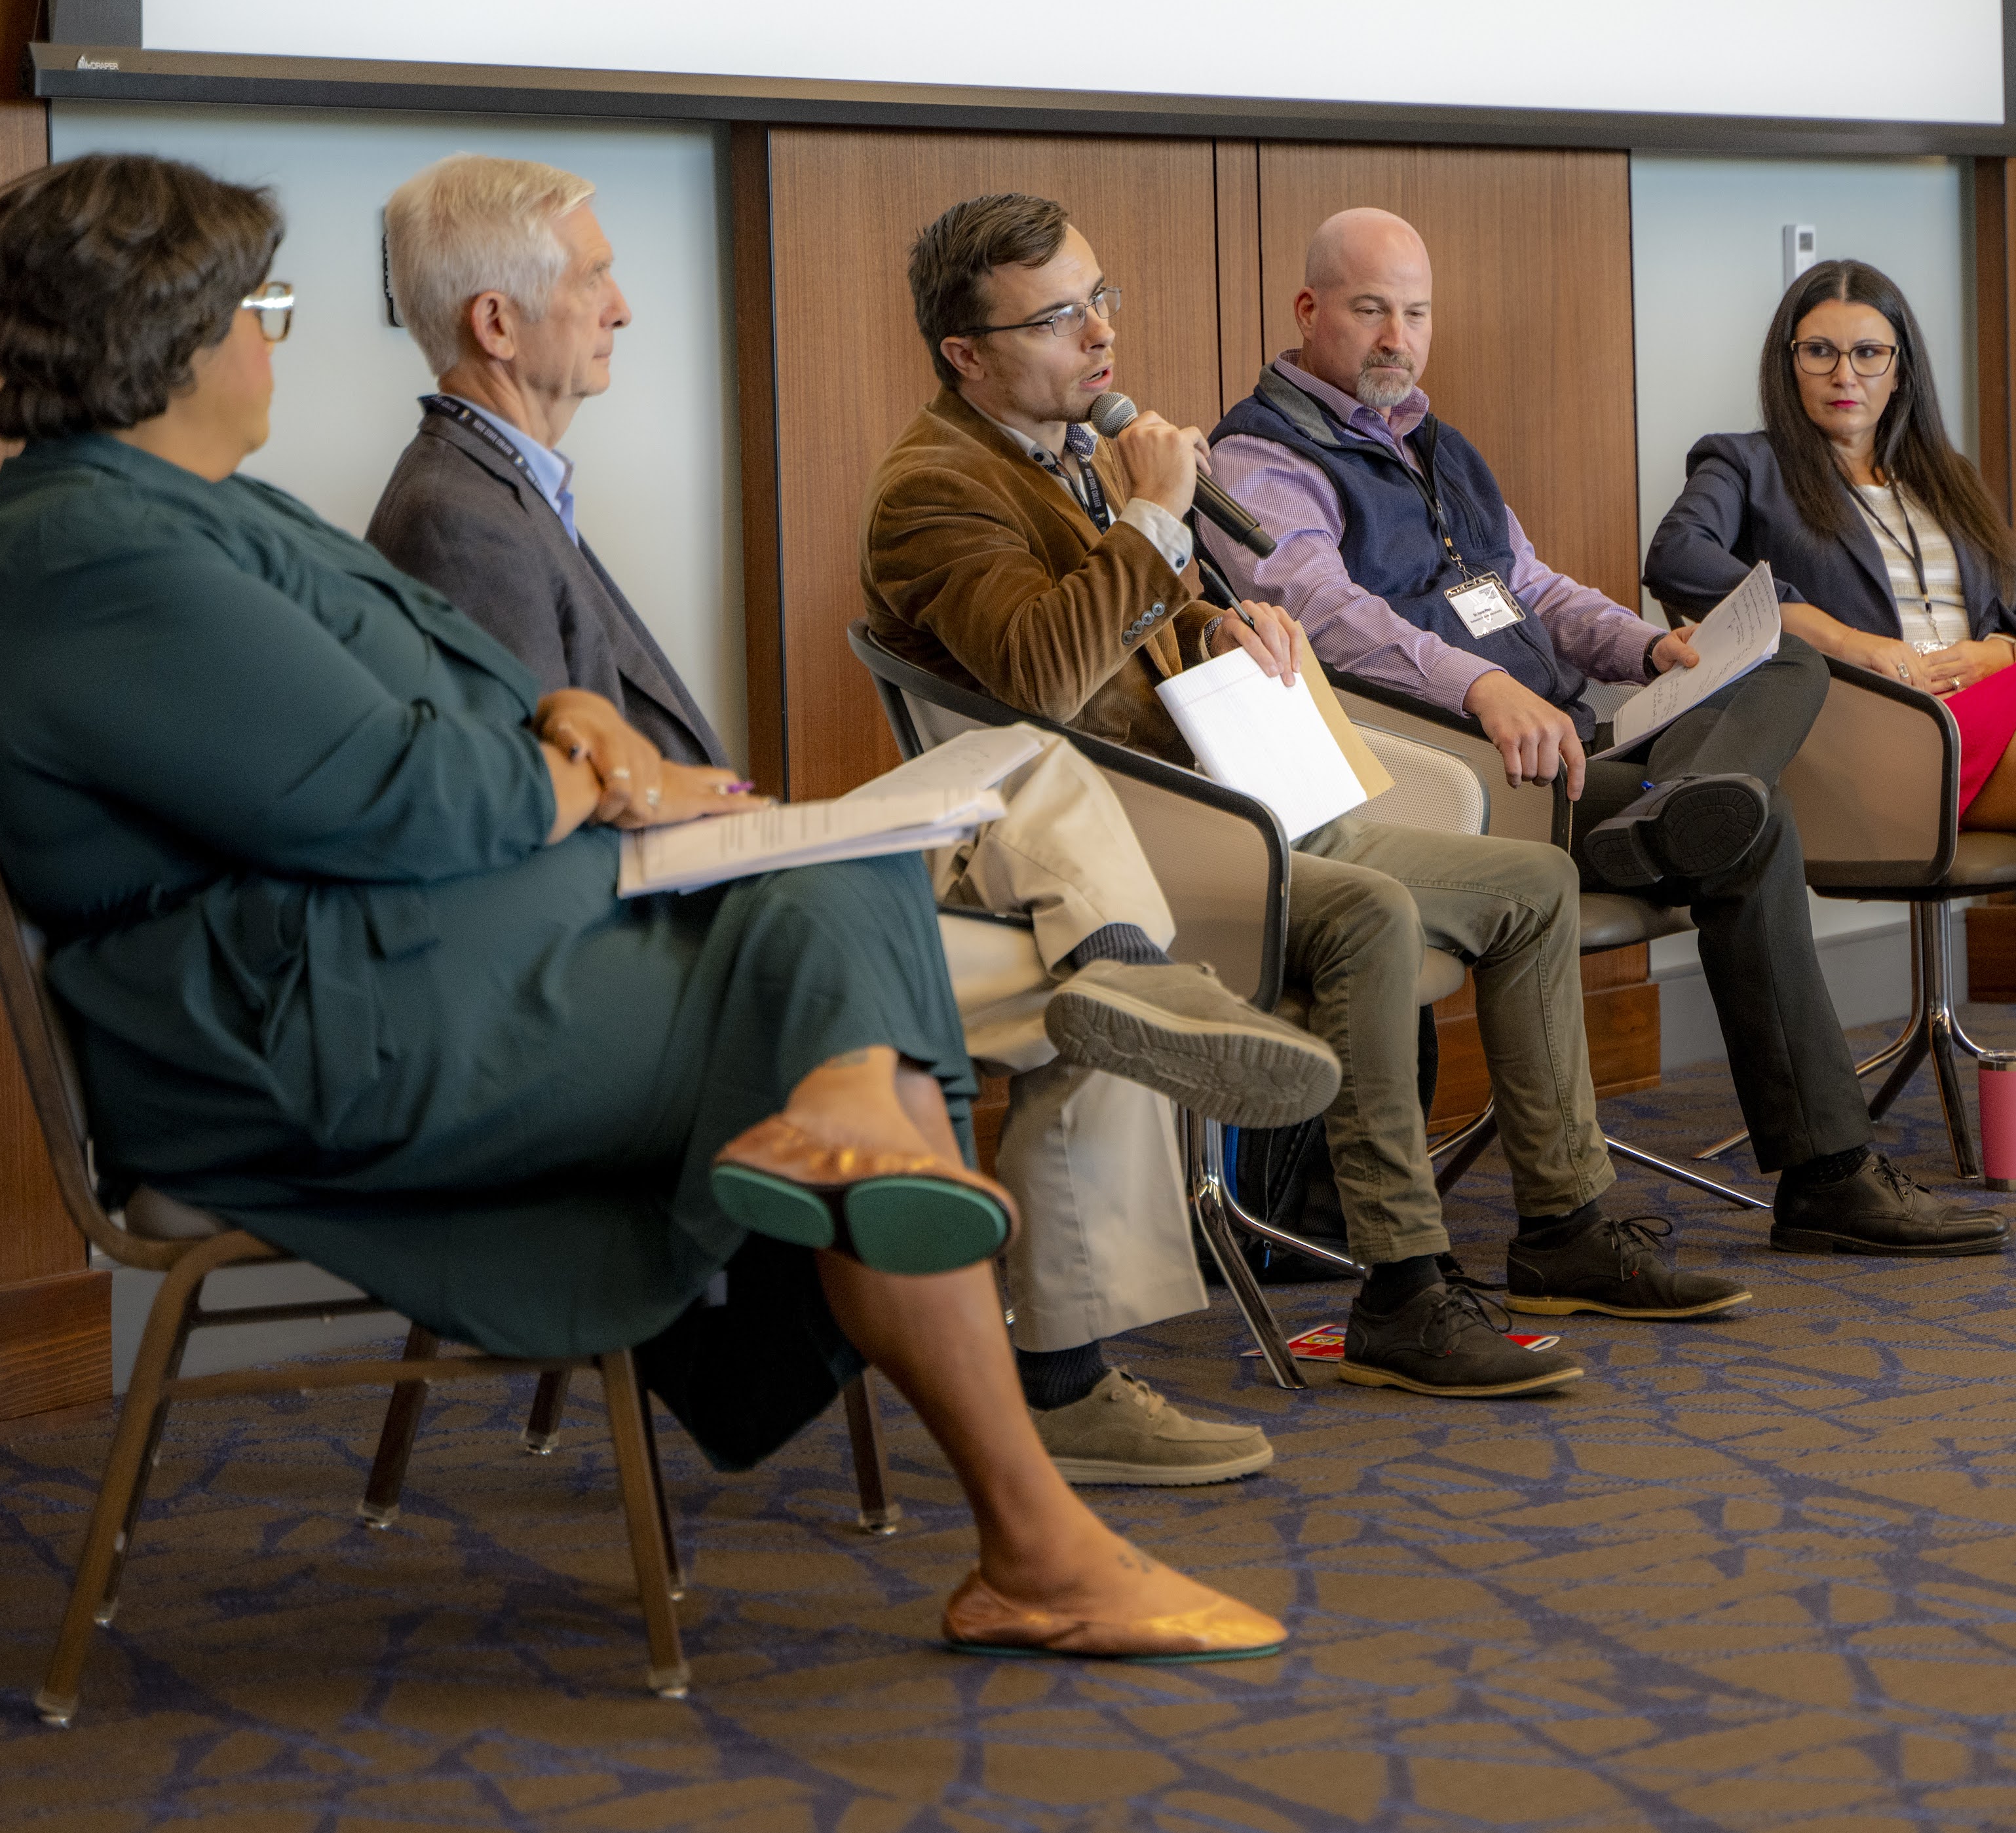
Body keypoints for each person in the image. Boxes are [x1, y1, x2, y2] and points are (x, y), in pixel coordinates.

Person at [0, 152, 1279, 1663]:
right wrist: (578, 760)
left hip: (384, 966)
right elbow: (426, 791)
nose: (276, 335)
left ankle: (888, 1208)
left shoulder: (176, 513)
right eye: (263, 305)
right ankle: (1015, 1491)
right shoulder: (96, 553)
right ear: (172, 333)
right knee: (835, 930)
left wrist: (566, 720)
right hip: (308, 1033)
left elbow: (478, 700)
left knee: (826, 878)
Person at [363, 155, 1328, 1489]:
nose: (624, 307)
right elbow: (521, 821)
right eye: (596, 277)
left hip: (708, 873)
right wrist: (675, 799)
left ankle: (1132, 974)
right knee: (1073, 964)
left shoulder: (500, 485)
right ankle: (1069, 1366)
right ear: (494, 320)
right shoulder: (460, 515)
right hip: (665, 939)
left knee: (1020, 770)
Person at [864, 191, 1751, 1401]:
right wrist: (1150, 518)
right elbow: (1040, 674)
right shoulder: (933, 488)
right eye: (1058, 317)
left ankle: (1564, 1232)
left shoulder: (1069, 447)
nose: (1098, 337)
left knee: (1534, 884)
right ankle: (1400, 1289)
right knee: (1370, 912)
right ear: (966, 355)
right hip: (1109, 850)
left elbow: (1123, 629)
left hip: (1224, 794)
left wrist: (1213, 615)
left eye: (1100, 299)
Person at [1204, 209, 2013, 1257]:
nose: (1396, 337)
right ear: (1310, 312)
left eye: (1414, 312)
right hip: (1453, 769)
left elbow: (1530, 587)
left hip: (1570, 750)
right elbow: (1318, 615)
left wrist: (1648, 650)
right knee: (1755, 827)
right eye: (1370, 312)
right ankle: (1827, 1174)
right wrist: (1476, 687)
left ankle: (1685, 806)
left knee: (1783, 660)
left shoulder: (1434, 444)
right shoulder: (1261, 455)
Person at [1648, 259, 2016, 1173]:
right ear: (1787, 361)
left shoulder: (1943, 478)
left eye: (1868, 353)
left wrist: (1993, 652)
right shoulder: (1745, 463)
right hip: (1873, 736)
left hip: (1976, 716)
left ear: (1900, 368)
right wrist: (1839, 635)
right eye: (1820, 352)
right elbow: (1677, 559)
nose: (1845, 375)